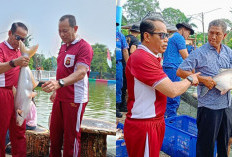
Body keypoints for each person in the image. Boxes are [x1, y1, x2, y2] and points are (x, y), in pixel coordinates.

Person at [124, 17, 200, 157]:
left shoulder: (153, 57)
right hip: (145, 123)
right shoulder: (142, 58)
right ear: (147, 36)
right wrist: (191, 78)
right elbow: (172, 91)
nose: (166, 39)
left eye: (167, 35)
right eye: (162, 35)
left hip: (155, 121)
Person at [177, 19, 232, 157]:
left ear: (224, 36)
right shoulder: (199, 52)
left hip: (226, 106)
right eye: (211, 33)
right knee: (205, 147)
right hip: (208, 108)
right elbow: (181, 71)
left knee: (224, 143)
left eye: (217, 34)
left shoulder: (228, 52)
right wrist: (202, 79)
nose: (213, 37)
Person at [42, 15, 93, 157]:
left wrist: (59, 84)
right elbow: (62, 71)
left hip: (75, 99)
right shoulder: (63, 47)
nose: (62, 35)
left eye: (65, 31)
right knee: (55, 136)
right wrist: (56, 90)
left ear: (75, 28)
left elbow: (81, 72)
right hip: (60, 97)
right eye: (59, 31)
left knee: (71, 139)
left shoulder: (84, 47)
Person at [0, 22, 30, 157]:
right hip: (3, 93)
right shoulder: (1, 48)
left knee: (19, 132)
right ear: (10, 33)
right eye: (18, 38)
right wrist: (14, 63)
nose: (20, 42)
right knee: (0, 132)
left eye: (23, 39)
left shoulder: (21, 52)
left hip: (19, 94)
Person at [163, 22, 194, 118]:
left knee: (167, 95)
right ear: (184, 29)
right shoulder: (179, 38)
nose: (188, 36)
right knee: (174, 95)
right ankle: (171, 119)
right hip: (173, 68)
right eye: (188, 33)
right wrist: (194, 72)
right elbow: (186, 57)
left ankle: (165, 117)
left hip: (168, 67)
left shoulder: (172, 37)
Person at [120, 24, 140, 112]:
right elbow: (132, 50)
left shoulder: (124, 37)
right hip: (129, 63)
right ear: (138, 32)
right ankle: (124, 106)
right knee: (128, 86)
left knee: (122, 85)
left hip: (121, 62)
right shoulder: (135, 40)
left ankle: (120, 104)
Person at [116, 22, 129, 118]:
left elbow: (125, 50)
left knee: (119, 85)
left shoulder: (120, 36)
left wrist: (128, 64)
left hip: (118, 64)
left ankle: (116, 108)